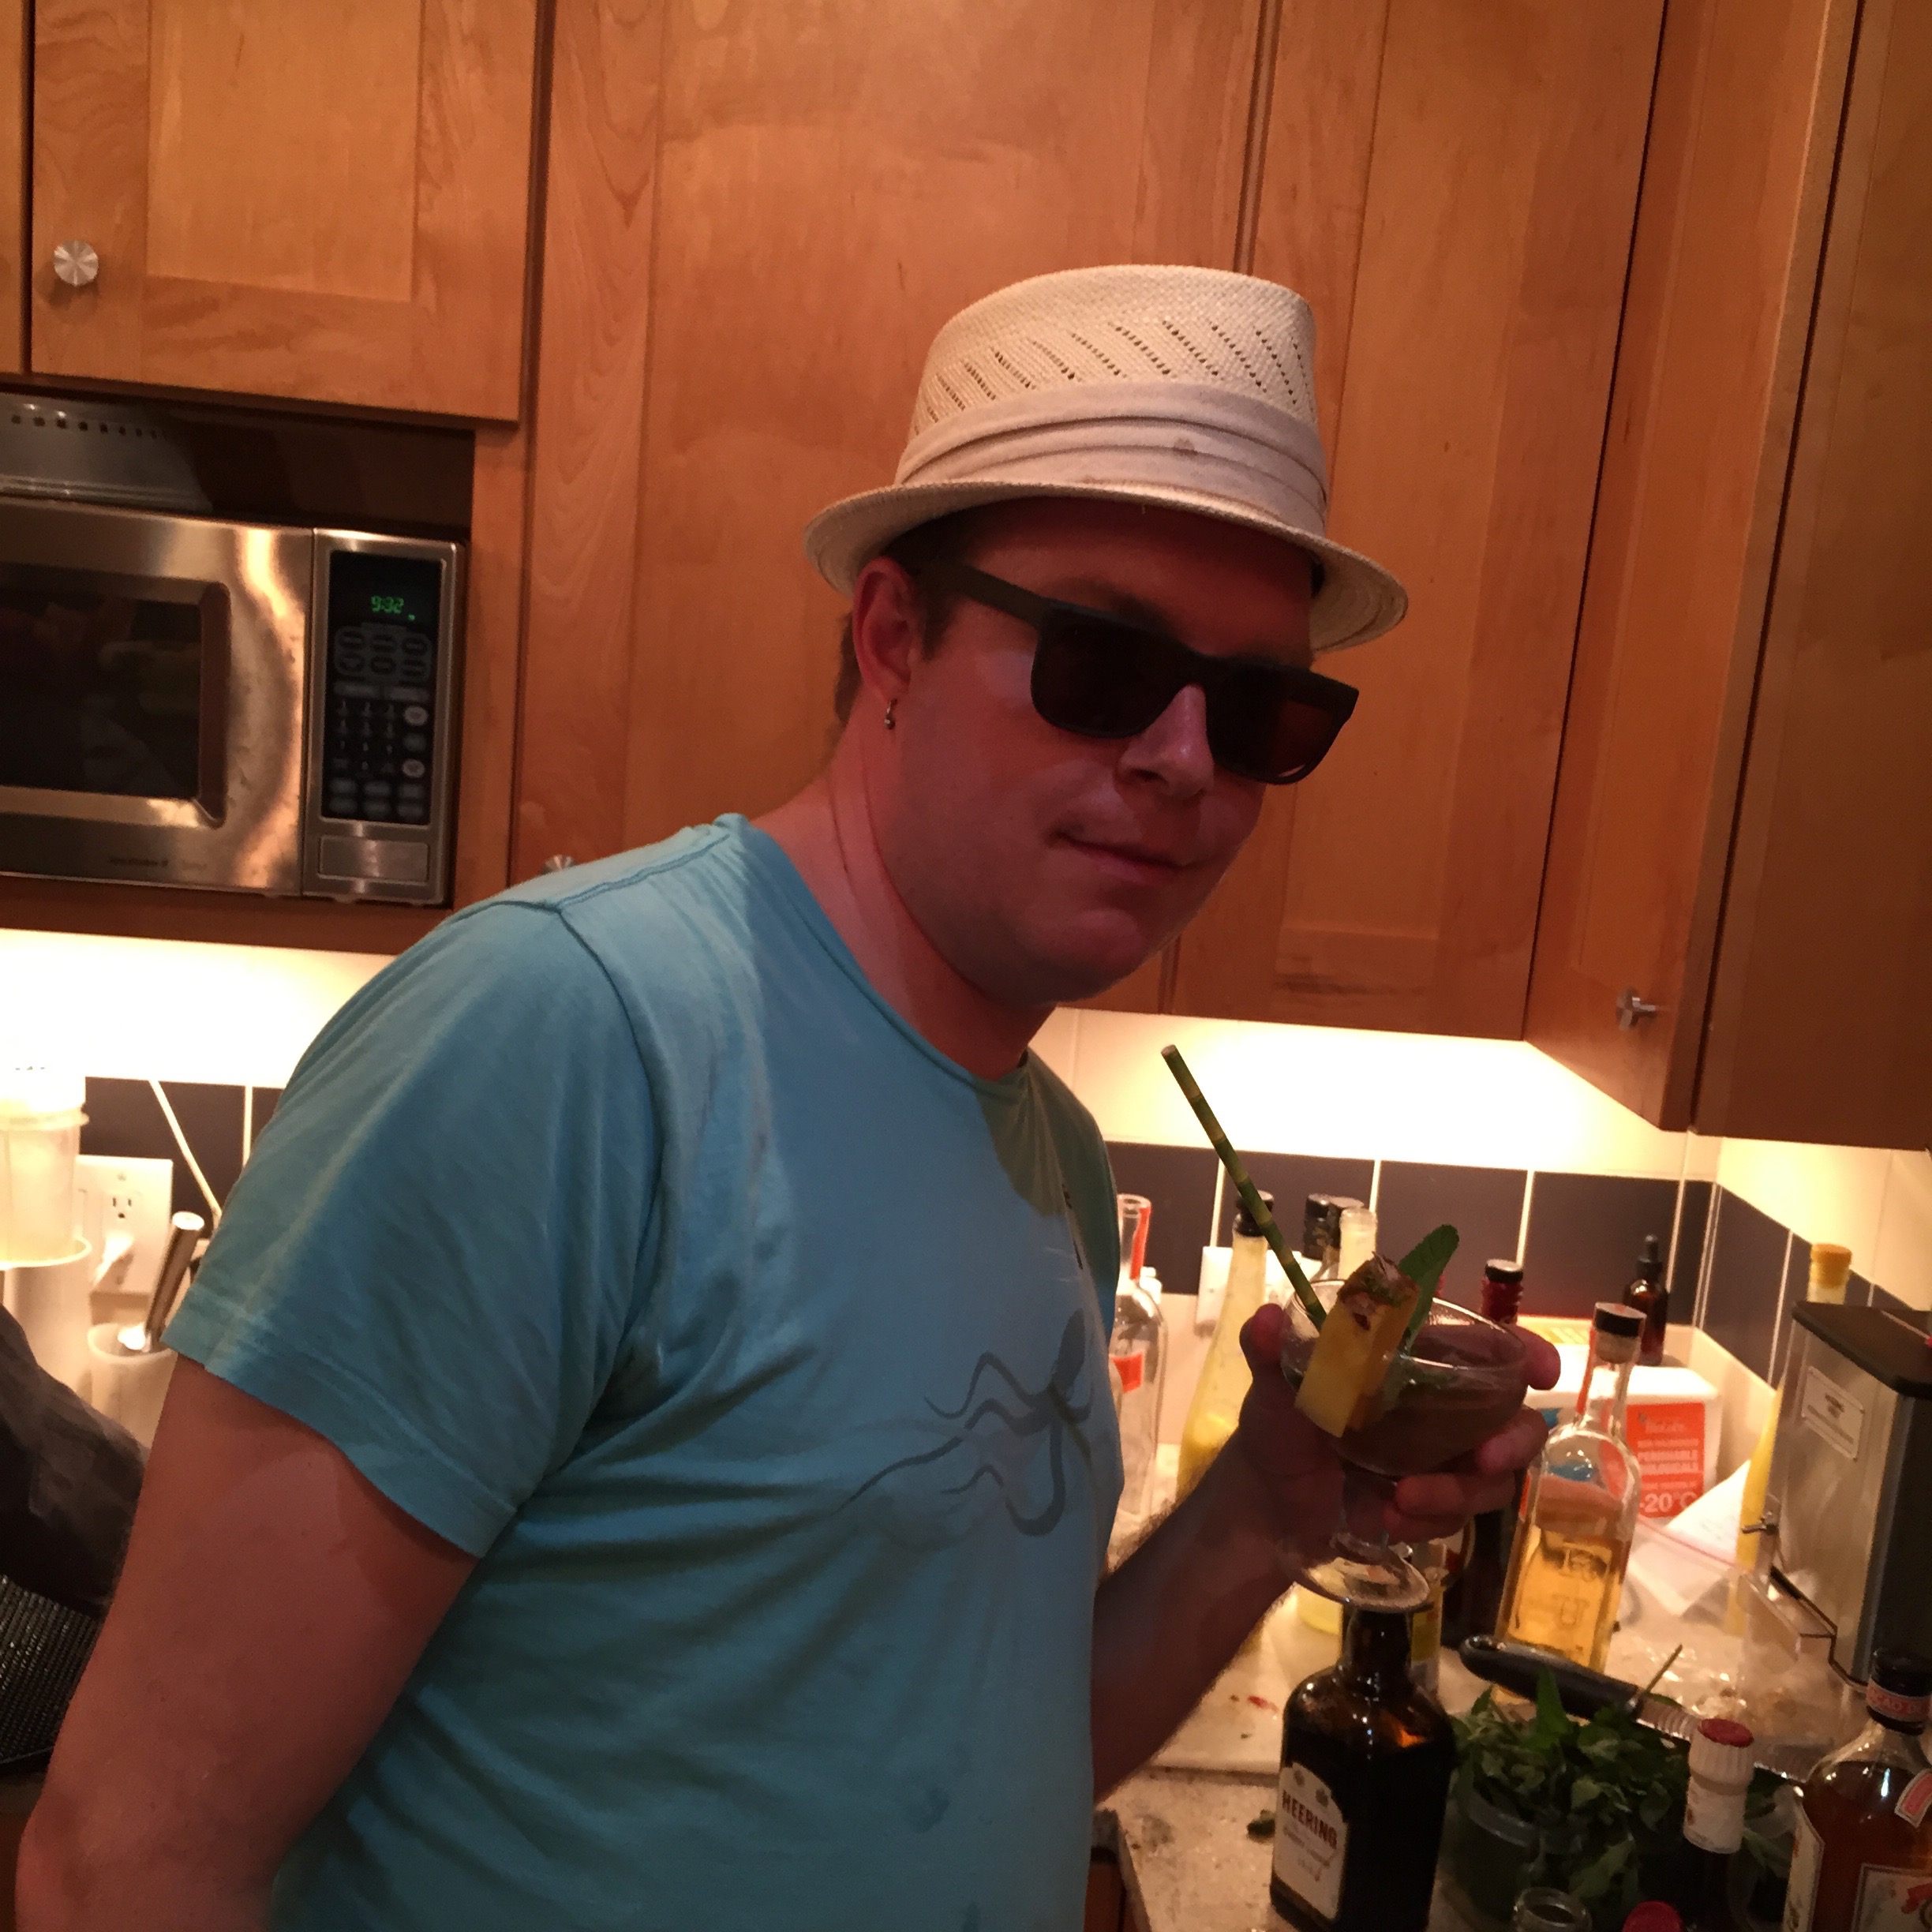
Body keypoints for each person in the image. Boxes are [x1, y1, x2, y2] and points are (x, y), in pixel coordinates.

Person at [19, 266, 1557, 1931]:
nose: (1186, 760)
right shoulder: (565, 1045)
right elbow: (128, 1865)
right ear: (893, 635)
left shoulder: (1045, 1147)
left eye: (1261, 710)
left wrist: (1265, 1508)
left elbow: (1003, 1752)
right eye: (1104, 663)